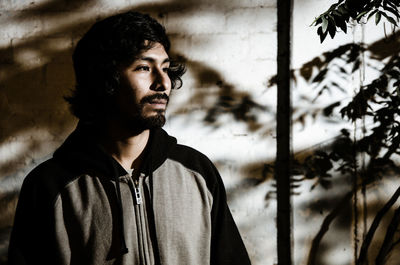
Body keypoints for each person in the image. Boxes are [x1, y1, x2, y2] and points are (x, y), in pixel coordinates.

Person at [8, 11, 251, 265]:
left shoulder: (197, 171)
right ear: (104, 80)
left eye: (166, 69)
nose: (163, 82)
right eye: (144, 68)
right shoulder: (50, 186)